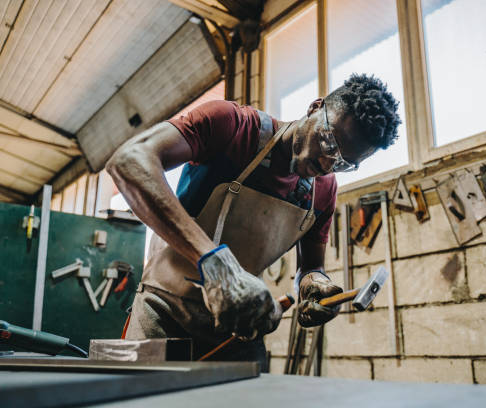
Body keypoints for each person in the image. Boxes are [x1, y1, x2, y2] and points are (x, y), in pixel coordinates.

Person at [106, 73, 401, 370]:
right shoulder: (233, 127)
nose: (326, 164)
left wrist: (315, 285)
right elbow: (129, 162)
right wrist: (214, 263)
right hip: (163, 311)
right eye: (328, 141)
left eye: (343, 163)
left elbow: (311, 267)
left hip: (236, 330)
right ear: (315, 107)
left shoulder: (322, 190)